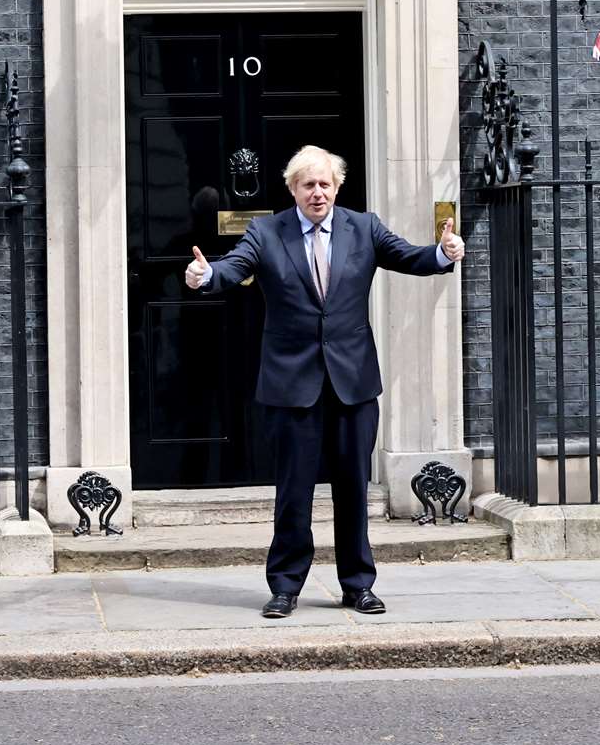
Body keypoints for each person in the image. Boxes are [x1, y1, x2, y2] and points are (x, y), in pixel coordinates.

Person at [185, 145, 465, 618]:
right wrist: (207, 275)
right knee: (294, 490)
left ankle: (357, 584)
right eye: (307, 184)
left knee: (353, 487)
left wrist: (442, 252)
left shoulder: (364, 227)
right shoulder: (266, 231)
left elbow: (409, 257)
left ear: (337, 188)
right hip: (293, 384)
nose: (317, 192)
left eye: (325, 184)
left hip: (352, 382)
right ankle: (285, 586)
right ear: (292, 189)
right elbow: (235, 266)